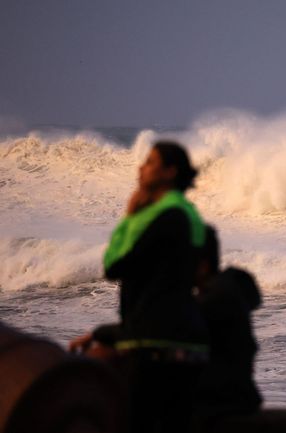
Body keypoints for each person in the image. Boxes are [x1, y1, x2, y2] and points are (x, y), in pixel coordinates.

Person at [70, 140, 209, 433]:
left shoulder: (165, 217)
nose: (141, 168)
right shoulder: (189, 215)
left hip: (156, 348)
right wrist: (102, 334)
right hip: (186, 342)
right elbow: (169, 287)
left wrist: (129, 216)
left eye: (150, 162)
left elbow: (115, 266)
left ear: (170, 172)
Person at [193, 226, 263, 430]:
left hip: (220, 406)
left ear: (202, 266)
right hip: (241, 399)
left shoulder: (213, 301)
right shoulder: (227, 290)